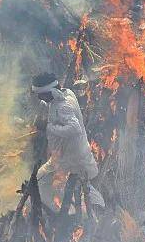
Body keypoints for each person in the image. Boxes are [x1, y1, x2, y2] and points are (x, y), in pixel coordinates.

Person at [32, 73, 105, 209]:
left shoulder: (63, 106)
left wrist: (48, 127)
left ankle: (98, 209)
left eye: (41, 94)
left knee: (82, 187)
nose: (39, 97)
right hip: (62, 155)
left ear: (50, 92)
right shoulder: (65, 94)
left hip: (72, 157)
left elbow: (74, 128)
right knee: (41, 179)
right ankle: (53, 208)